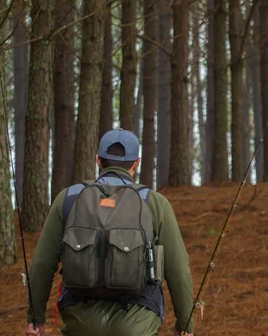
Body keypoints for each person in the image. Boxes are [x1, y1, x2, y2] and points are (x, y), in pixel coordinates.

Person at [25, 129, 194, 336]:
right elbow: (178, 270)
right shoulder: (155, 203)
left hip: (81, 324)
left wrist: (35, 318)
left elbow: (42, 264)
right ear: (136, 163)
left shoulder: (68, 199)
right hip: (136, 324)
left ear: (98, 160)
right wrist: (185, 326)